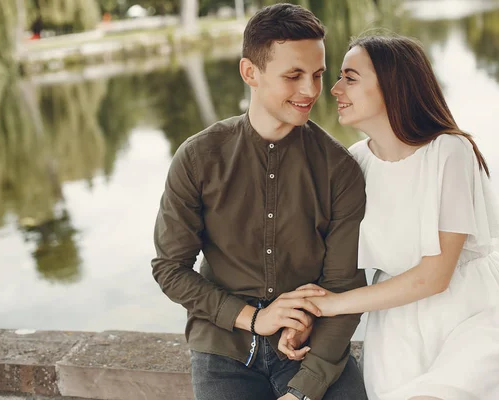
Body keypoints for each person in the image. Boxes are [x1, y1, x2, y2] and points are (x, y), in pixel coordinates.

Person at [279, 35, 499, 400]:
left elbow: (435, 276)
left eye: (350, 78)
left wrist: (331, 304)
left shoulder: (449, 151)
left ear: (392, 85)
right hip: (396, 324)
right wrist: (308, 316)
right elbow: (334, 258)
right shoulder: (354, 162)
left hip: (471, 313)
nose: (334, 89)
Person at [152, 4, 368, 400]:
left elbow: (344, 288)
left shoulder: (340, 169)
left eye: (318, 74)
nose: (310, 90)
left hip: (312, 342)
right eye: (293, 76)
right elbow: (170, 268)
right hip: (223, 346)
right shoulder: (198, 157)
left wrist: (304, 389)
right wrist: (254, 318)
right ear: (250, 72)